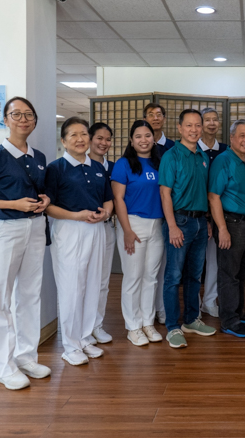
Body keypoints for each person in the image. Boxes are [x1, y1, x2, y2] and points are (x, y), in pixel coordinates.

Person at [0, 97, 51, 390]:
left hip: (35, 228)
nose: (23, 119)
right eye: (16, 114)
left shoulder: (39, 156)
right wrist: (14, 204)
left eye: (29, 114)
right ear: (5, 119)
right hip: (6, 229)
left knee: (30, 295)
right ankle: (4, 367)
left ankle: (26, 357)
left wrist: (46, 200)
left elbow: (42, 191)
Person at [45, 117, 114, 366]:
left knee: (92, 284)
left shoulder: (97, 167)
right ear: (63, 140)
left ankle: (85, 338)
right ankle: (70, 345)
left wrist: (105, 213)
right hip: (69, 229)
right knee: (72, 288)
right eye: (73, 135)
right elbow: (49, 207)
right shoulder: (56, 168)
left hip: (95, 229)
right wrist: (77, 215)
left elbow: (108, 198)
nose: (80, 139)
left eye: (84, 134)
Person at [159, 109, 216, 349]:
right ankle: (173, 327)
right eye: (189, 125)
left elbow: (205, 192)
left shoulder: (203, 156)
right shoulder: (171, 156)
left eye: (198, 126)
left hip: (200, 223)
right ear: (180, 128)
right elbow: (165, 193)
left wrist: (208, 221)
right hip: (179, 222)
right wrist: (172, 226)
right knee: (173, 277)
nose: (194, 130)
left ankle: (192, 320)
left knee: (195, 275)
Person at [111, 120, 165, 346]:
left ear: (154, 138)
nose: (144, 140)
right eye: (138, 136)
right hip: (134, 223)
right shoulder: (123, 164)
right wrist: (127, 230)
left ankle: (147, 322)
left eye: (148, 135)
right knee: (133, 277)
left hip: (157, 225)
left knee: (151, 277)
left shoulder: (160, 162)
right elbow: (118, 199)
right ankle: (133, 326)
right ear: (131, 141)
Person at [209, 119, 245, 338]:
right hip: (232, 224)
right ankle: (229, 320)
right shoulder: (223, 160)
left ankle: (238, 312)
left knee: (241, 273)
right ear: (231, 138)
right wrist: (222, 228)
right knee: (229, 273)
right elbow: (214, 196)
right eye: (242, 135)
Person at [145, 102, 173, 325]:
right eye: (150, 115)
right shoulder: (139, 148)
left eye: (158, 114)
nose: (155, 118)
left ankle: (162, 309)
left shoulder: (173, 147)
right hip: (145, 214)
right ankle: (146, 311)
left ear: (164, 118)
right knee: (146, 269)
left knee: (165, 266)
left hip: (169, 214)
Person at [87, 122, 115, 345]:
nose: (103, 143)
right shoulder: (80, 165)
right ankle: (82, 327)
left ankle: (97, 324)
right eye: (99, 138)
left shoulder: (114, 167)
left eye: (107, 139)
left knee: (103, 280)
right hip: (83, 228)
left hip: (106, 227)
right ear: (89, 139)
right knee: (84, 280)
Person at [199, 107, 228, 319]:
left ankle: (209, 300)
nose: (211, 123)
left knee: (215, 260)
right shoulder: (191, 149)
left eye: (214, 120)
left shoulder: (226, 151)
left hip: (221, 215)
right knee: (195, 261)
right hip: (197, 215)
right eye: (206, 120)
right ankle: (195, 303)